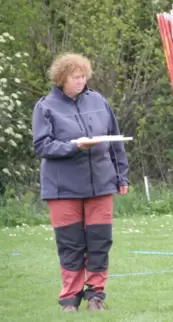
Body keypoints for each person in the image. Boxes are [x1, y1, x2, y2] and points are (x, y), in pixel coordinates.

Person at [31, 53, 129, 312]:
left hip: (101, 183)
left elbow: (114, 142)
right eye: (75, 77)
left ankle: (96, 296)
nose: (81, 81)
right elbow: (42, 146)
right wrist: (74, 147)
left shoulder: (99, 101)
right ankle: (69, 299)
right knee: (70, 244)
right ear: (61, 78)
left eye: (83, 76)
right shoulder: (46, 106)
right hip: (63, 188)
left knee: (100, 241)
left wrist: (121, 177)